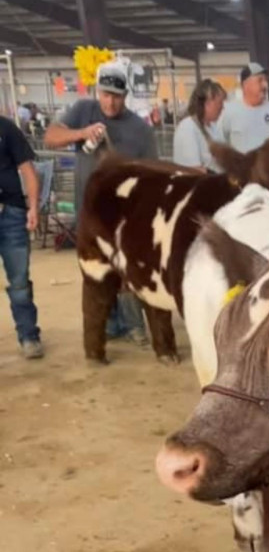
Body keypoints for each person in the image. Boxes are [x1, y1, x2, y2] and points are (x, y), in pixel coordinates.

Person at [44, 61, 158, 346]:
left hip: (124, 216)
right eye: (106, 95)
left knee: (126, 269)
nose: (110, 102)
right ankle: (108, 323)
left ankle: (134, 325)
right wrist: (81, 133)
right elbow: (50, 137)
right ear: (98, 92)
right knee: (95, 270)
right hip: (89, 213)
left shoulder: (141, 130)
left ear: (125, 95)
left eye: (117, 96)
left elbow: (152, 173)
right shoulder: (83, 110)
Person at [0, 114, 42, 358]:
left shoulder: (6, 128)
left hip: (11, 213)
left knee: (19, 281)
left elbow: (27, 170)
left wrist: (33, 207)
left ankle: (29, 336)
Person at [172, 79, 226, 171]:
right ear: (207, 103)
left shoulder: (213, 127)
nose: (222, 107)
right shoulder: (187, 128)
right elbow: (193, 170)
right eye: (219, 103)